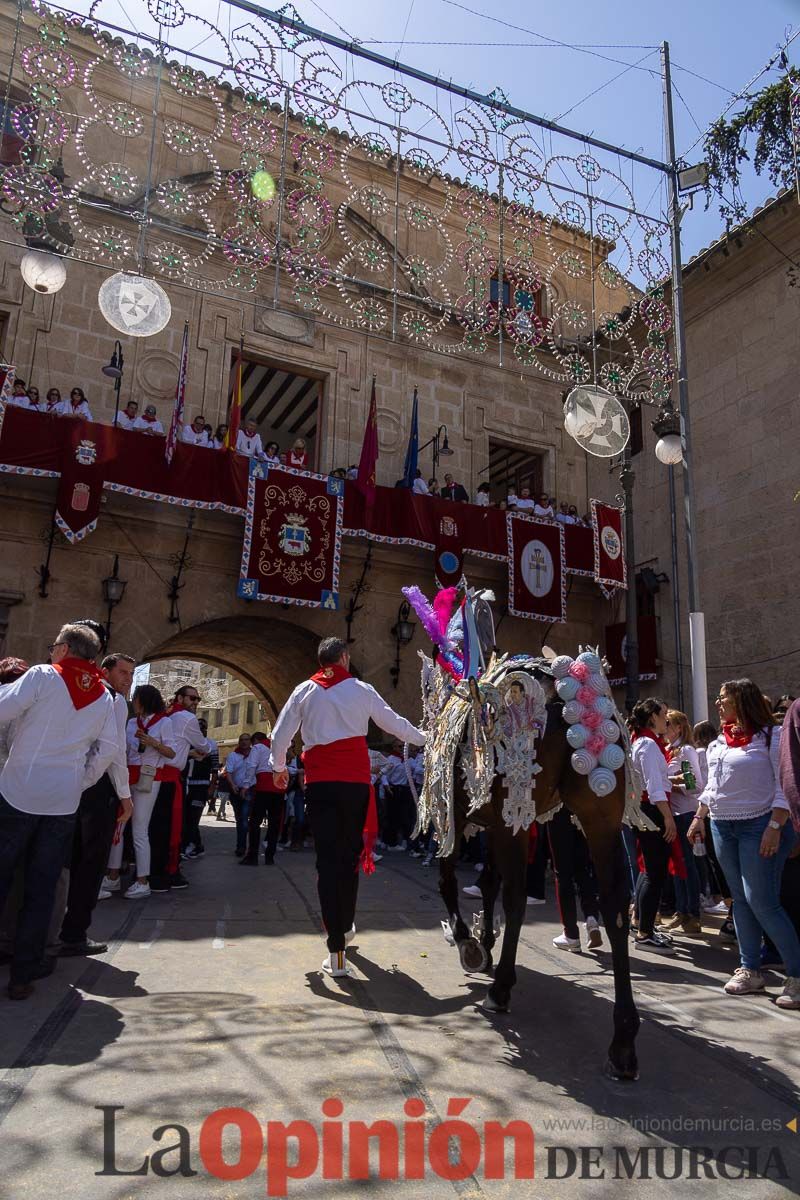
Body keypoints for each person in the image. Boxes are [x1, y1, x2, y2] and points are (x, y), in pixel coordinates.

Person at [271, 637, 426, 977]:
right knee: (350, 857)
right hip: (355, 785)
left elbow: (280, 735)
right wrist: (426, 738)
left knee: (327, 861)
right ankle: (347, 923)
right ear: (344, 657)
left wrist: (280, 768)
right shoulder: (361, 688)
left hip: (322, 784)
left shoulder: (303, 690)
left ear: (321, 660)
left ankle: (337, 948)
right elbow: (394, 723)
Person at [0, 624, 120, 999]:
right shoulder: (105, 696)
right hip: (63, 802)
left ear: (65, 648)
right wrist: (80, 781)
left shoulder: (42, 675)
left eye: (54, 646)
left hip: (18, 789)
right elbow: (108, 749)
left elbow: (3, 710)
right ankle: (23, 974)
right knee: (42, 888)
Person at [688, 679, 800, 1007]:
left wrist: (776, 825)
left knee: (762, 901)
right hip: (723, 826)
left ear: (742, 700)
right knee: (740, 900)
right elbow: (711, 787)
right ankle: (750, 969)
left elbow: (786, 783)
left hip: (760, 825)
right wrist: (698, 816)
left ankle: (795, 975)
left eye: (724, 699)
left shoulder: (772, 737)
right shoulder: (719, 742)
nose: (718, 704)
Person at [58, 648, 136, 954]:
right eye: (122, 672)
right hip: (97, 786)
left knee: (69, 858)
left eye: (131, 674)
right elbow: (114, 751)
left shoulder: (81, 693)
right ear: (104, 671)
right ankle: (74, 933)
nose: (127, 680)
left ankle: (56, 926)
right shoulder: (114, 700)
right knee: (91, 861)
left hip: (69, 784)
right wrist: (125, 796)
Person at [104, 684, 176, 899]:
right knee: (119, 825)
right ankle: (113, 876)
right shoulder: (132, 723)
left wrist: (153, 742)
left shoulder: (165, 722)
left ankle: (142, 881)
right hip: (127, 775)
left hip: (149, 777)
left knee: (139, 829)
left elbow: (171, 753)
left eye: (135, 698)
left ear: (143, 700)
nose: (133, 703)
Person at [148, 685, 211, 892]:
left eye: (197, 699)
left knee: (150, 827)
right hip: (170, 778)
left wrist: (188, 753)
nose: (195, 702)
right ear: (180, 697)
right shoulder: (186, 718)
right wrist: (200, 750)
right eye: (192, 698)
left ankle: (147, 872)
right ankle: (166, 873)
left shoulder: (163, 715)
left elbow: (176, 746)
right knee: (172, 829)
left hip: (151, 774)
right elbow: (203, 745)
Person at [630, 698, 677, 954]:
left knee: (650, 870)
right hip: (652, 810)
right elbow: (654, 786)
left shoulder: (645, 742)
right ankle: (645, 932)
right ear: (652, 718)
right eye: (664, 715)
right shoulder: (647, 745)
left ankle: (642, 925)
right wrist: (667, 817)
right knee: (654, 872)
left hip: (649, 809)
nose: (666, 720)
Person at [661, 709, 704, 937]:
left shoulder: (685, 752)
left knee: (687, 865)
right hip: (673, 814)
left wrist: (669, 784)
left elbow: (694, 785)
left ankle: (692, 915)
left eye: (668, 723)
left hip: (685, 814)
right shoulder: (669, 751)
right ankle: (681, 910)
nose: (664, 727)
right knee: (676, 866)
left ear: (678, 727)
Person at [547, 805, 603, 952]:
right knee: (582, 869)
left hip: (558, 810)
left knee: (563, 874)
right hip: (581, 809)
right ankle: (591, 918)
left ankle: (571, 934)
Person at [243, 732, 285, 865]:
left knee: (255, 822)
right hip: (278, 788)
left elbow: (251, 765)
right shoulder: (279, 747)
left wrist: (246, 784)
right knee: (274, 824)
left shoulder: (258, 748)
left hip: (263, 787)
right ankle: (270, 857)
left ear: (255, 740)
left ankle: (252, 855)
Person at [183, 717, 218, 858]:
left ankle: (192, 846)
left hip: (201, 786)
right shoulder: (187, 743)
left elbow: (215, 769)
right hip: (186, 784)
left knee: (194, 818)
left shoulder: (211, 744)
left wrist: (211, 788)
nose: (201, 730)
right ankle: (195, 845)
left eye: (203, 728)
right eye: (198, 728)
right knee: (186, 817)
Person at [226, 733, 257, 857]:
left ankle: (242, 847)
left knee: (244, 819)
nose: (244, 742)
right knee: (239, 819)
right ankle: (241, 845)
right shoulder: (233, 755)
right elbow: (228, 772)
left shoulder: (255, 755)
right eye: (242, 740)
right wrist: (232, 785)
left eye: (247, 740)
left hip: (250, 790)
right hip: (236, 790)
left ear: (250, 742)